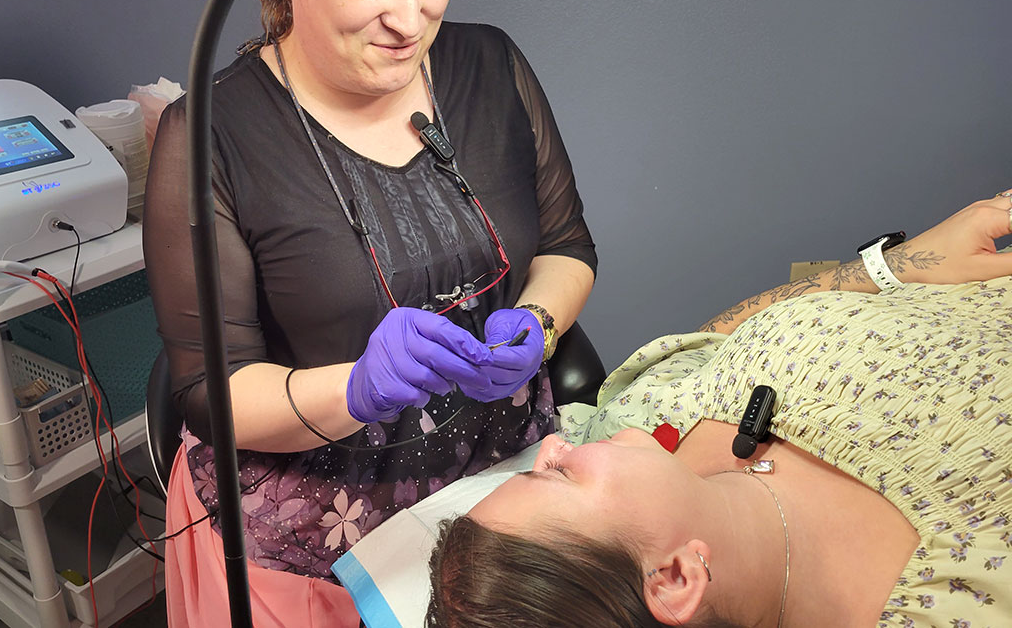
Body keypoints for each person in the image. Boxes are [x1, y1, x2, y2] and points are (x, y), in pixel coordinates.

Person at [143, 0, 596, 622]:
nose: (410, 17)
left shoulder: (491, 65)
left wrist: (538, 321)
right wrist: (355, 389)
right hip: (311, 528)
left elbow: (566, 247)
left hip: (490, 485)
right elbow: (210, 393)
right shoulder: (209, 133)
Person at [427, 191, 1012, 628]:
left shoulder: (639, 424)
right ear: (677, 578)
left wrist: (896, 266)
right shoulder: (966, 594)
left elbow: (723, 336)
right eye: (552, 477)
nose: (552, 445)